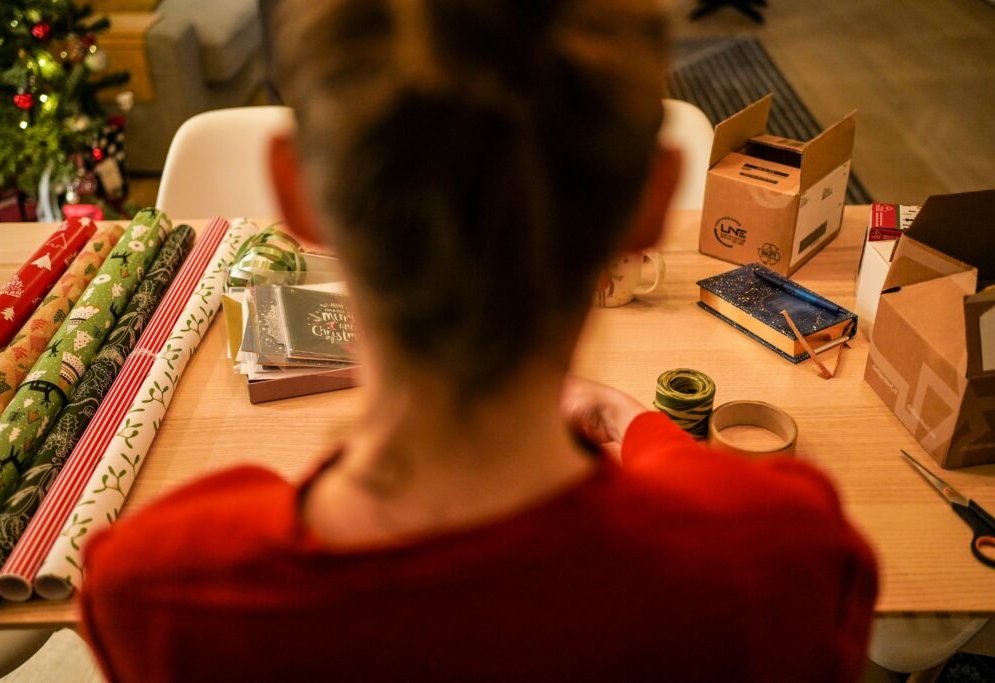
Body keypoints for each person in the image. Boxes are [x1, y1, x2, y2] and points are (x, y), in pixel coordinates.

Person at [80, 1, 877, 680]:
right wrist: (646, 432)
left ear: (295, 191)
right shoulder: (782, 560)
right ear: (655, 200)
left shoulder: (156, 588)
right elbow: (728, 518)